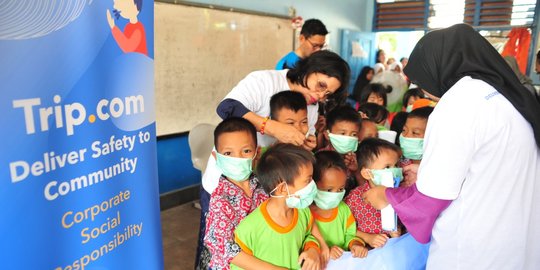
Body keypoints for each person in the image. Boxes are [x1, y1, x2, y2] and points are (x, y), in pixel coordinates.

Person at [362, 24, 540, 269]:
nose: (423, 88)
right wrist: (425, 171)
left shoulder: (458, 103)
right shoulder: (505, 95)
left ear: (437, 66)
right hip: (518, 239)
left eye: (422, 79)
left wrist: (386, 195)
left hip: (474, 249)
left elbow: (432, 198)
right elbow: (488, 164)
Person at [196, 50, 350, 266]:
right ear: (309, 69)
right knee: (220, 252)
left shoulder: (313, 105)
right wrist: (270, 126)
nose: (320, 95)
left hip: (266, 186)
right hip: (231, 180)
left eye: (328, 93)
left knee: (261, 243)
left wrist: (308, 142)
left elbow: (307, 134)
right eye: (321, 84)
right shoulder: (265, 81)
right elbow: (227, 107)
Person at [232, 144, 322, 270]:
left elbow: (308, 236)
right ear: (282, 188)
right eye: (308, 180)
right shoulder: (249, 228)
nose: (313, 185)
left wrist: (312, 249)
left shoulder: (303, 212)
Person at [203, 118, 271, 270]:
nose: (237, 159)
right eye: (228, 153)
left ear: (257, 152)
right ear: (217, 157)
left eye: (246, 151)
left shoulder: (265, 186)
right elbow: (224, 248)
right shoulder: (220, 200)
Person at [345, 138, 402, 249]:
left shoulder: (400, 194)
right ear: (367, 173)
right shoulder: (355, 198)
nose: (394, 171)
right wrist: (367, 237)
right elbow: (344, 228)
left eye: (396, 165)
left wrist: (397, 231)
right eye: (387, 167)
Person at [310, 151, 368, 260]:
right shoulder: (304, 213)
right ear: (312, 184)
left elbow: (350, 235)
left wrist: (355, 245)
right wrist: (325, 250)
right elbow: (304, 243)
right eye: (329, 189)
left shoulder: (343, 209)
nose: (335, 195)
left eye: (340, 189)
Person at [318, 106, 361, 192]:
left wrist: (356, 171)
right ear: (327, 134)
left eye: (353, 134)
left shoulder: (358, 158)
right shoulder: (319, 158)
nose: (348, 138)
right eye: (342, 133)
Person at [398, 107, 433, 188]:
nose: (406, 136)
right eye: (404, 130)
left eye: (415, 133)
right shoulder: (396, 163)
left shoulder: (438, 167)